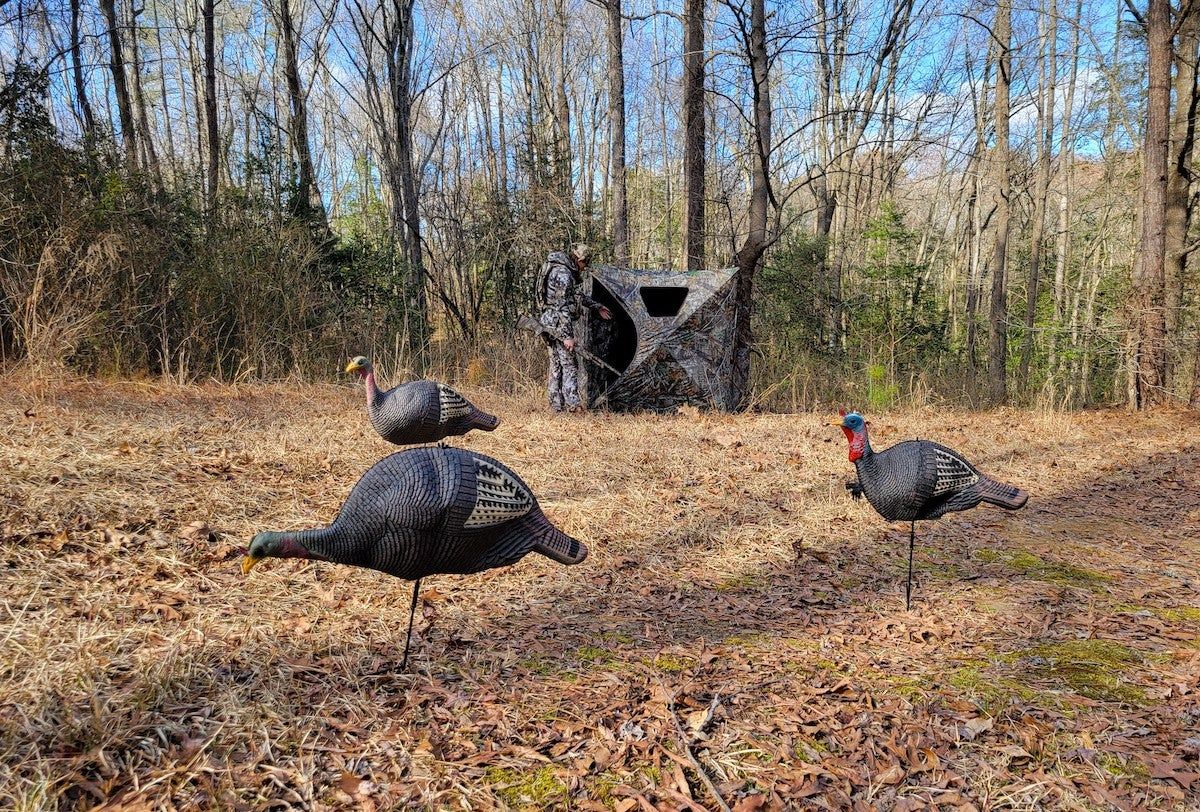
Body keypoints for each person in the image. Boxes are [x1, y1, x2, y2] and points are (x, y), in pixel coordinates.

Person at [537, 244, 612, 412]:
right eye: (585, 264)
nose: (584, 268)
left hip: (548, 322)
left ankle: (556, 407)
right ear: (579, 260)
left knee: (556, 364)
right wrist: (567, 336)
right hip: (557, 325)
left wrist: (596, 306)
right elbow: (562, 306)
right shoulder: (563, 274)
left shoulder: (555, 267)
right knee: (569, 365)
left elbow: (575, 296)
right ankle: (573, 406)